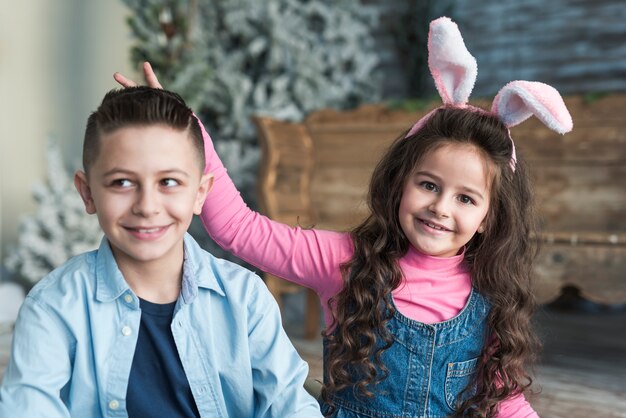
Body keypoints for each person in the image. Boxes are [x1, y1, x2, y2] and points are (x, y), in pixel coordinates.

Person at [117, 17, 574, 417]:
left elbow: (503, 402)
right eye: (429, 185)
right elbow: (237, 228)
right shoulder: (342, 260)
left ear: (489, 218)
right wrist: (188, 132)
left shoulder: (490, 292)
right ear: (399, 182)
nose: (440, 207)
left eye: (466, 199)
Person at [0, 87, 322, 417]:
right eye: (122, 182)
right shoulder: (52, 308)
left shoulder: (246, 301)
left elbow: (292, 407)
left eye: (168, 182)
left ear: (200, 194)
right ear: (88, 193)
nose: (147, 207)